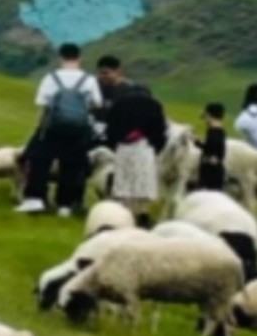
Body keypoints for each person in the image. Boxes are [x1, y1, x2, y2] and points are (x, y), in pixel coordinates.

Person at [20, 43, 102, 216]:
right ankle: (65, 204)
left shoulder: (51, 77)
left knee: (40, 161)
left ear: (61, 58)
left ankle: (36, 198)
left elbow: (41, 103)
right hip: (78, 129)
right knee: (72, 165)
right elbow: (97, 103)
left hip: (52, 126)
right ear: (79, 58)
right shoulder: (89, 79)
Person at [97, 55, 168, 226]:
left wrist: (116, 142)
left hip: (123, 146)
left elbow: (110, 126)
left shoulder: (120, 104)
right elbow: (160, 130)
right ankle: (142, 213)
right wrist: (156, 146)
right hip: (145, 147)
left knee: (124, 179)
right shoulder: (154, 105)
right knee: (143, 180)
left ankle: (123, 212)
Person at [192, 103, 233, 196]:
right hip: (212, 171)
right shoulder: (217, 131)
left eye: (206, 117)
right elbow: (211, 149)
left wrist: (199, 144)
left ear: (210, 116)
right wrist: (198, 143)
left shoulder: (215, 132)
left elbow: (213, 152)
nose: (205, 120)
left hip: (211, 173)